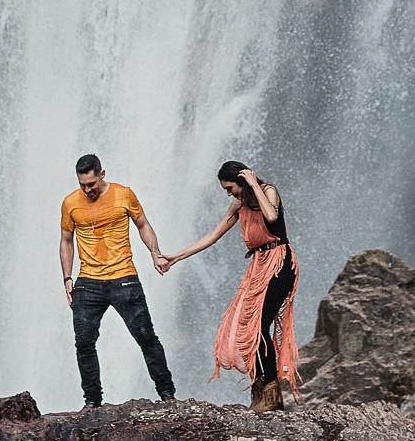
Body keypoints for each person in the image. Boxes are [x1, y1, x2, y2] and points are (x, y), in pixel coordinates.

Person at [156, 161, 299, 412]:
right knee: (244, 326)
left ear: (242, 182)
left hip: (279, 263)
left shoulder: (267, 192)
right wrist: (176, 257)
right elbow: (213, 235)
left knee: (258, 325)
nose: (228, 193)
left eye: (230, 187)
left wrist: (254, 184)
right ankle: (259, 390)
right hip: (258, 265)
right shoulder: (238, 205)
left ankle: (273, 395)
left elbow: (272, 216)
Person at [59, 153, 176, 408]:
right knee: (84, 343)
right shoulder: (70, 203)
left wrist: (155, 254)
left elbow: (143, 224)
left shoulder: (124, 194)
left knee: (146, 337)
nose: (87, 189)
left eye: (91, 184)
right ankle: (92, 402)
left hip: (124, 278)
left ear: (102, 174)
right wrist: (67, 278)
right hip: (88, 282)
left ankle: (168, 396)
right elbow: (66, 240)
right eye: (83, 185)